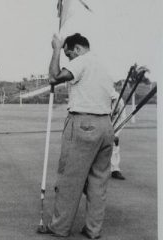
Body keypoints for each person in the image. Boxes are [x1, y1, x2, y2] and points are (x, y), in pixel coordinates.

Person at [37, 33, 114, 239]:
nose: (69, 59)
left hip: (83, 124)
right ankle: (93, 230)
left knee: (69, 180)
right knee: (98, 182)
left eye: (69, 54)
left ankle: (59, 227)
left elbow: (53, 78)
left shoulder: (81, 61)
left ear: (77, 49)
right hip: (106, 125)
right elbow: (114, 99)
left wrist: (56, 49)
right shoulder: (102, 65)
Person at [110, 92, 126, 180]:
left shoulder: (119, 100)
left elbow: (122, 118)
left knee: (114, 143)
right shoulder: (98, 95)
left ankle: (115, 170)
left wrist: (115, 133)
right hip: (99, 123)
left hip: (113, 125)